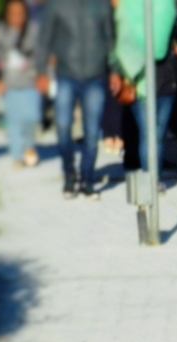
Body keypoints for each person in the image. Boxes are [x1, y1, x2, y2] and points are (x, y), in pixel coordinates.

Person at [34, 0, 115, 200]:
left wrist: (115, 70)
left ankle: (87, 180)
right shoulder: (56, 4)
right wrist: (41, 71)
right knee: (62, 126)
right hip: (66, 75)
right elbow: (45, 38)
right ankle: (69, 174)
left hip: (95, 76)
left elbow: (110, 38)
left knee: (92, 132)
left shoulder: (102, 4)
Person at [111, 0, 177, 177]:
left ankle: (152, 179)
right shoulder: (132, 9)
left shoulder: (163, 7)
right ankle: (151, 180)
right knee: (151, 135)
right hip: (144, 84)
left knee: (154, 136)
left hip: (162, 82)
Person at [0, 0, 41, 168]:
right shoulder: (0, 31)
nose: (17, 17)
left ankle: (28, 146)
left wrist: (41, 74)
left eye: (20, 13)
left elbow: (41, 53)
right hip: (9, 84)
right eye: (12, 13)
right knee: (13, 121)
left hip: (30, 82)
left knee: (31, 117)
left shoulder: (34, 29)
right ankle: (16, 155)